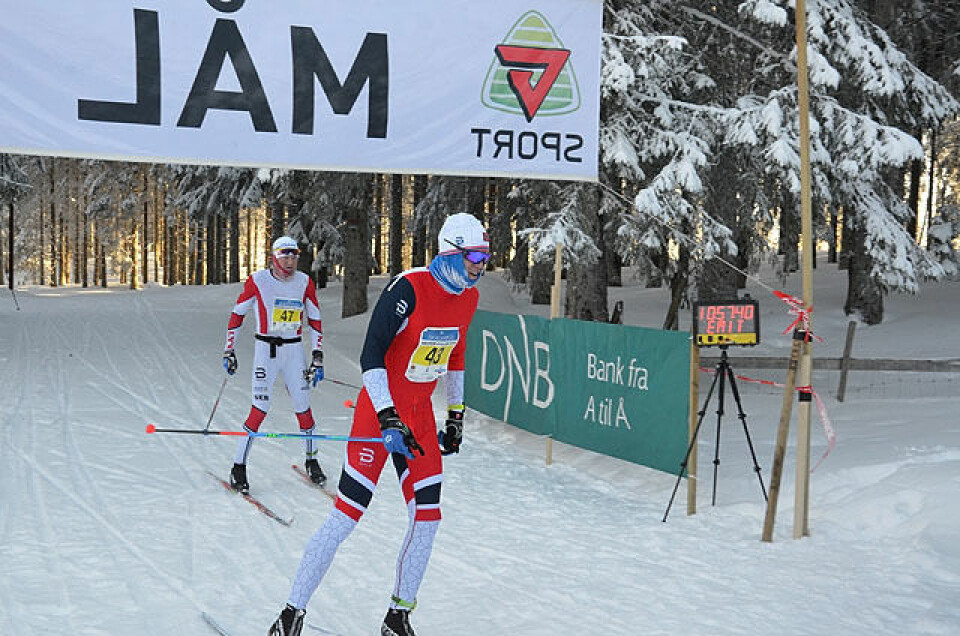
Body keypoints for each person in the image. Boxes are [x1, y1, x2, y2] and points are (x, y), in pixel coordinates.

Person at [267, 213, 490, 636]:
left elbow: (457, 354)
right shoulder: (409, 288)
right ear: (452, 252)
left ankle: (397, 616)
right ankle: (290, 614)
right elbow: (371, 356)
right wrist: (387, 416)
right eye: (475, 257)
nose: (481, 266)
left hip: (419, 419)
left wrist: (456, 414)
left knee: (428, 517)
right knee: (347, 515)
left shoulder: (468, 298)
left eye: (485, 257)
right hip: (377, 414)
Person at [222, 236, 327, 493]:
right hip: (265, 351)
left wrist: (317, 356)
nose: (290, 262)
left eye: (294, 256)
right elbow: (238, 314)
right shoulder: (258, 280)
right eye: (284, 256)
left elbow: (315, 318)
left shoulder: (304, 282)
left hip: (293, 351)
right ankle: (238, 467)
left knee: (303, 407)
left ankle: (312, 460)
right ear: (274, 257)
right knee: (259, 408)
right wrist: (229, 349)